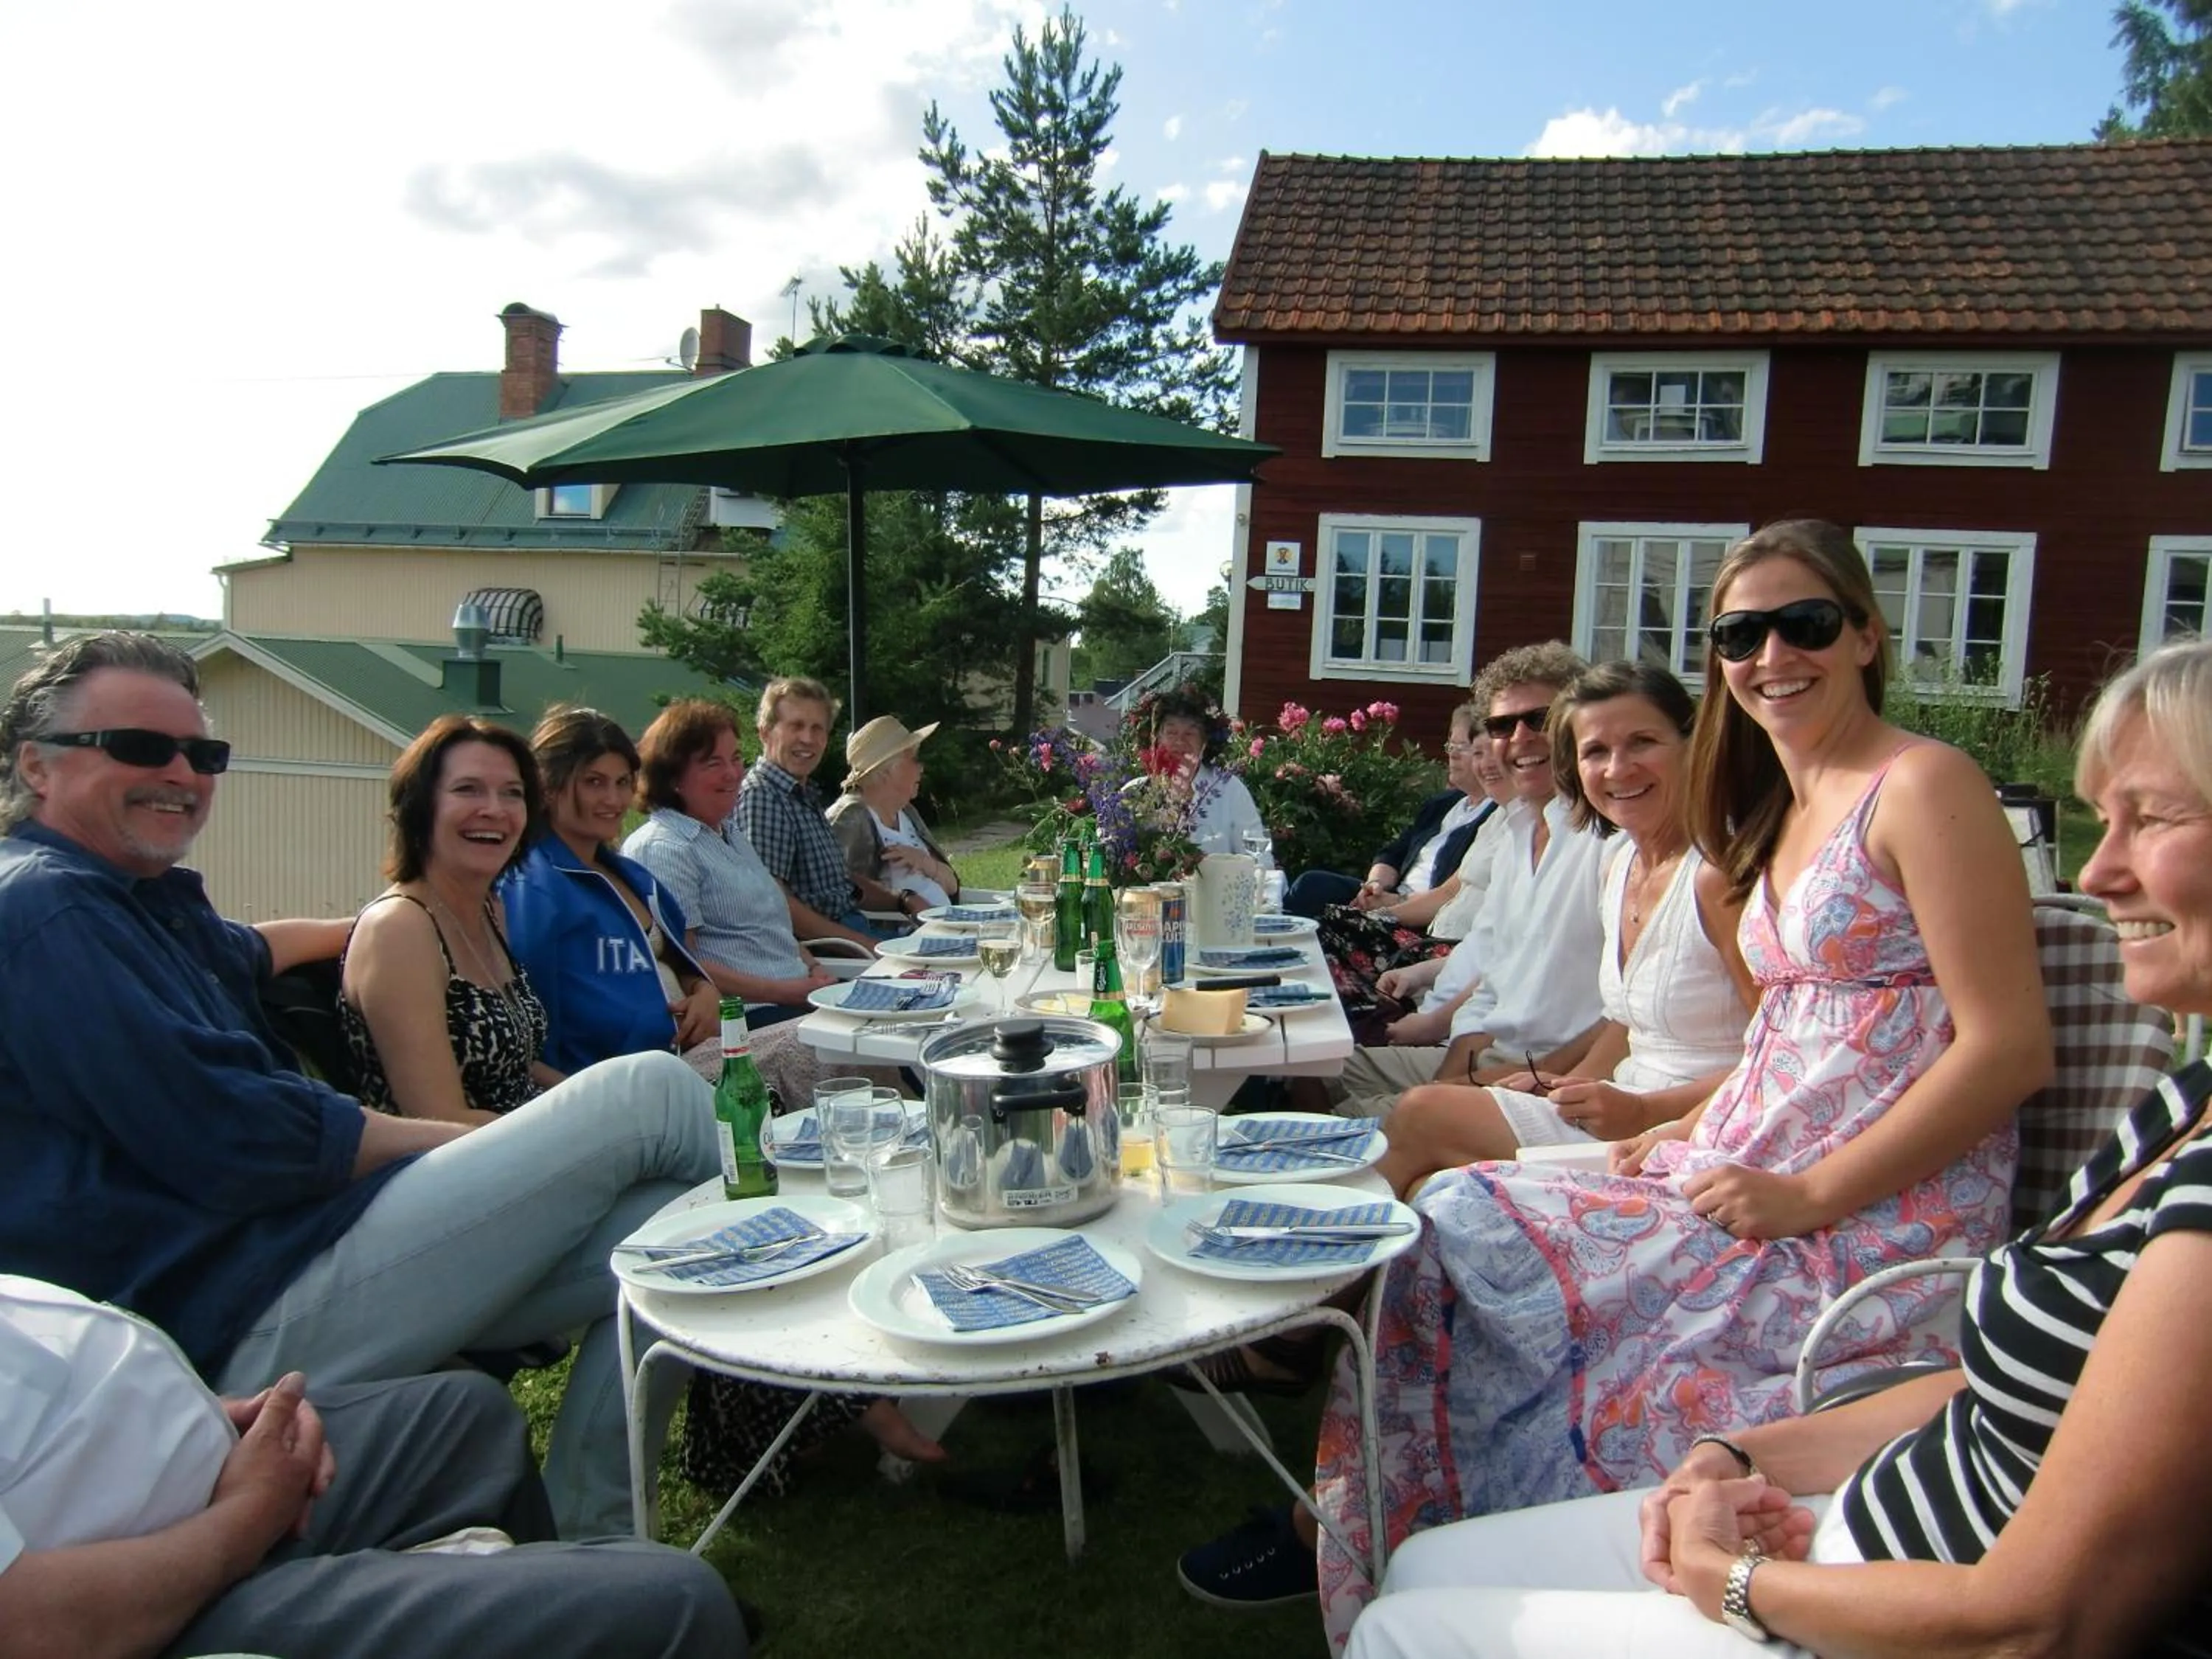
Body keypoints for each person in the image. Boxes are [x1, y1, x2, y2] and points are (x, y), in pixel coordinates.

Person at [1340, 636, 2212, 1659]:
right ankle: (1372, 1492)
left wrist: (1735, 1581)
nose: (2097, 868)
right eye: (2102, 819)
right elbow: (2008, 1390)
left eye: (2150, 817)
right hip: (1863, 1509)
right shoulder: (2176, 1116)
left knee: (1401, 1622)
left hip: (1888, 1595)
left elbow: (2034, 1618)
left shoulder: (1899, 798)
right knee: (1420, 1570)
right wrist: (1737, 1448)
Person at [1293, 521, 2051, 1642]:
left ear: (1865, 635)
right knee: (1449, 1213)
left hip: (1868, 1210)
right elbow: (1786, 1035)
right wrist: (1688, 1120)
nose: (1771, 653)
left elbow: (2007, 1047)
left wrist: (1811, 1194)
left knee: (1461, 1211)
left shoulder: (1922, 784)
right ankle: (1422, 1531)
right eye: (1740, 632)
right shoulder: (1791, 814)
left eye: (1806, 622)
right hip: (1746, 1156)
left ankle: (1446, 1528)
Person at [0, 633, 719, 1540]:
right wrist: (481, 1137)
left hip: (306, 1261)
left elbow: (251, 947)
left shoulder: (139, 905)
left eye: (203, 754)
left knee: (677, 1236)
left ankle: (599, 1538)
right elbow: (242, 1137)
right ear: (37, 764)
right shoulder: (43, 911)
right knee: (646, 1096)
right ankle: (807, 1277)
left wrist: (370, 919)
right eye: (142, 748)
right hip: (226, 1317)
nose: (180, 773)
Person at [0, 1275, 745, 1659]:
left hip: (214, 1479)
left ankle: (534, 1602)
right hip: (153, 1612)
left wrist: (218, 1415)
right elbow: (34, 1631)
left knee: (465, 1418)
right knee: (676, 1603)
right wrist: (246, 1516)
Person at [1374, 661, 1756, 1192]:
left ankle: (1315, 1262)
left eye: (1642, 742)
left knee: (1421, 1118)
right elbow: (1626, 1022)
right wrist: (1574, 1083)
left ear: (1694, 744)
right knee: (1423, 1174)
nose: (1618, 770)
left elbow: (1782, 1057)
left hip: (1694, 1132)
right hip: (1618, 1103)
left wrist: (1642, 1108)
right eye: (1596, 751)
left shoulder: (1719, 876)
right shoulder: (1622, 866)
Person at [1324, 644, 1611, 1116]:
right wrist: (1458, 1059)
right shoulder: (1518, 835)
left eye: (1538, 719)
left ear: (1577, 721)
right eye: (1501, 726)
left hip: (1543, 1071)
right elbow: (1494, 971)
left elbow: (1621, 1016)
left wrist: (1459, 1080)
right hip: (1487, 1049)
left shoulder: (1607, 841)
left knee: (1341, 1122)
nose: (1519, 737)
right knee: (1311, 1069)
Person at [338, 716, 558, 1121]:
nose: (495, 810)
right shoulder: (399, 928)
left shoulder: (491, 911)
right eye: (467, 790)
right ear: (420, 808)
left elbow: (514, 1067)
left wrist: (598, 1095)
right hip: (446, 1166)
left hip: (526, 1142)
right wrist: (577, 1129)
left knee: (651, 1086)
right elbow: (437, 1114)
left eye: (512, 793)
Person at [624, 698, 845, 1030]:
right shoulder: (665, 847)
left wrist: (814, 969)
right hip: (750, 1019)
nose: (732, 773)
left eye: (736, 758)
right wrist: (790, 992)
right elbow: (688, 965)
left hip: (800, 998)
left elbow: (770, 926)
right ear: (673, 777)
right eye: (713, 763)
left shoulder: (729, 832)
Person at [737, 675, 919, 941]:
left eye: (817, 728)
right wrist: (865, 946)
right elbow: (774, 905)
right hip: (827, 956)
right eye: (796, 726)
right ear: (764, 732)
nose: (808, 738)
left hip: (857, 933)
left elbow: (842, 884)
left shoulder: (801, 795)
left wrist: (903, 900)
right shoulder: (763, 796)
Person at [1287, 702, 1497, 925]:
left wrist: (1393, 905)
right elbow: (1393, 853)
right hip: (1389, 897)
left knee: (1325, 925)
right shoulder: (1443, 805)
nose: (1452, 756)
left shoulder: (1494, 817)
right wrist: (1375, 886)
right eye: (1450, 746)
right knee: (1310, 885)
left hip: (1421, 916)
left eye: (1462, 747)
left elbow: (1453, 895)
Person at [826, 714, 962, 911]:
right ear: (888, 769)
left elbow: (952, 885)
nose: (921, 768)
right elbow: (837, 895)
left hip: (945, 925)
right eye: (914, 759)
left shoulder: (907, 811)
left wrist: (924, 862)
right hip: (899, 938)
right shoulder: (850, 817)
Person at [1145, 688, 1267, 854]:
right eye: (1172, 733)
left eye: (1190, 734)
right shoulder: (1136, 792)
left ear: (1204, 743)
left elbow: (1258, 857)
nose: (1180, 741)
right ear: (1158, 739)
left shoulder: (1230, 790)